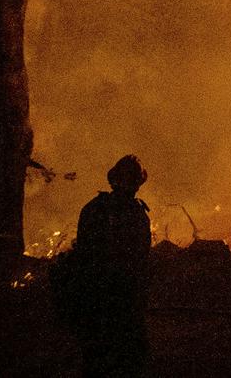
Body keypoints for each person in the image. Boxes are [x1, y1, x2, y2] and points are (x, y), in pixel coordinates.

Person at [63, 154, 153, 377]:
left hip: (94, 298)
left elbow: (83, 250)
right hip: (124, 298)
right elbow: (141, 259)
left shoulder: (92, 208)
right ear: (137, 184)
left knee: (96, 358)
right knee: (129, 358)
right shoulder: (137, 213)